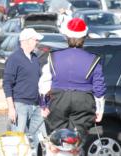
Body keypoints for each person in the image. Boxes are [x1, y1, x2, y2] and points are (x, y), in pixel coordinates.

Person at [39, 18, 106, 146]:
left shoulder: (53, 56)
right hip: (83, 101)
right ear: (84, 37)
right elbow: (99, 88)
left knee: (58, 138)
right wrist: (99, 110)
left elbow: (44, 83)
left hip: (58, 99)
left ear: (66, 37)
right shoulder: (94, 59)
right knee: (77, 140)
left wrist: (43, 105)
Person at [3, 28, 47, 149]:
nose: (37, 42)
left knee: (41, 139)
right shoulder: (14, 59)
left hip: (36, 105)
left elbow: (40, 83)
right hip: (20, 105)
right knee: (18, 140)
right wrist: (11, 108)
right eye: (35, 40)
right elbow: (7, 84)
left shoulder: (35, 58)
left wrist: (43, 105)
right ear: (27, 41)